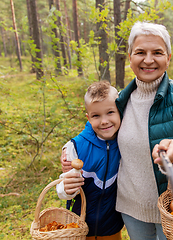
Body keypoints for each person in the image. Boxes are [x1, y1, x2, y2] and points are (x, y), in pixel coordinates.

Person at [61, 21, 173, 240]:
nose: (148, 60)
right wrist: (70, 148)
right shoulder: (121, 99)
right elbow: (99, 126)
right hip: (131, 210)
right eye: (140, 52)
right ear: (130, 57)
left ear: (168, 57)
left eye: (157, 52)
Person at [57, 80, 123, 240]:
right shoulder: (76, 147)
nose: (104, 121)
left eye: (110, 112)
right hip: (80, 226)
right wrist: (65, 189)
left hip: (112, 225)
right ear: (88, 117)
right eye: (96, 116)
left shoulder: (125, 140)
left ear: (120, 110)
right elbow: (64, 187)